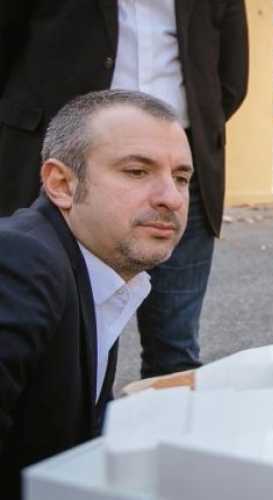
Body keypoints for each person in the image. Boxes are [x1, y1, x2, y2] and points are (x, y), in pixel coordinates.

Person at [0, 0, 249, 378]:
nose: (168, 198)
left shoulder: (172, 187)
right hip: (71, 154)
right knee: (56, 345)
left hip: (186, 152)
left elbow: (231, 78)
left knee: (175, 348)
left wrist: (169, 156)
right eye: (136, 171)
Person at [0, 90, 192, 499]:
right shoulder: (21, 262)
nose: (171, 198)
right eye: (137, 171)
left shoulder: (96, 270)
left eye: (181, 178)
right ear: (62, 184)